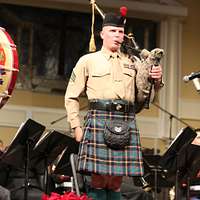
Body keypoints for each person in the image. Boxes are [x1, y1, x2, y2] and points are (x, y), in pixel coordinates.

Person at [65, 7, 163, 200]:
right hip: (99, 119)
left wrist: (156, 79)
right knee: (99, 180)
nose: (117, 35)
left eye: (120, 32)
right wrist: (76, 126)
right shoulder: (88, 60)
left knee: (116, 182)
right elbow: (71, 96)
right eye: (112, 31)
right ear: (102, 34)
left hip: (125, 120)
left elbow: (146, 92)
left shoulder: (133, 61)